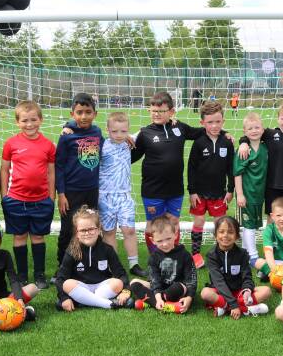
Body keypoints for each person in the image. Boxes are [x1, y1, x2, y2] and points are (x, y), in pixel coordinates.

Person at [131, 91, 206, 257]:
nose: (156, 114)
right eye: (153, 111)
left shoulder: (180, 128)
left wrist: (224, 134)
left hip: (175, 189)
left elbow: (201, 132)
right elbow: (131, 157)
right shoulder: (145, 133)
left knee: (173, 221)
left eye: (161, 111)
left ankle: (173, 255)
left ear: (171, 112)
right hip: (152, 189)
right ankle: (155, 257)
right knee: (154, 223)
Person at [0, 100, 56, 289]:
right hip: (16, 200)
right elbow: (5, 170)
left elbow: (51, 172)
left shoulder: (48, 145)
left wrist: (51, 197)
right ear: (17, 122)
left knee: (38, 237)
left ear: (40, 120)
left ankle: (40, 275)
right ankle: (22, 275)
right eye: (24, 120)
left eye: (33, 119)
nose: (29, 124)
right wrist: (4, 195)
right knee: (19, 237)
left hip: (41, 200)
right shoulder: (11, 144)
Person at [55, 93, 103, 270]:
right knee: (68, 230)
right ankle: (62, 266)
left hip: (92, 190)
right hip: (71, 192)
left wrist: (127, 137)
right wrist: (61, 194)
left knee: (91, 227)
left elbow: (107, 148)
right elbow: (58, 166)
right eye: (79, 112)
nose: (84, 116)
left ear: (95, 114)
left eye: (88, 112)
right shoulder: (67, 136)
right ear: (72, 114)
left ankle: (89, 263)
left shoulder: (97, 132)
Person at [55, 206, 132, 311]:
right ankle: (109, 304)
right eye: (83, 230)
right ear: (77, 233)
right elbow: (60, 279)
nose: (87, 233)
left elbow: (121, 274)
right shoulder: (72, 251)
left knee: (117, 283)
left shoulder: (107, 249)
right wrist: (64, 298)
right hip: (81, 288)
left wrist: (125, 291)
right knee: (68, 284)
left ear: (98, 229)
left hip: (102, 288)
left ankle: (84, 301)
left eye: (91, 229)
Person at [187, 100, 234, 267]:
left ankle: (219, 253)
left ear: (223, 121)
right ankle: (195, 254)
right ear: (202, 123)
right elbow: (191, 168)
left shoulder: (227, 142)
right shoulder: (199, 142)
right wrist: (192, 192)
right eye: (210, 122)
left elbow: (231, 168)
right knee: (198, 221)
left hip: (219, 193)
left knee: (220, 224)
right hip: (199, 193)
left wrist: (230, 190)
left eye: (218, 122)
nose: (214, 125)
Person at [237, 100, 283, 219]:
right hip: (272, 185)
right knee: (272, 217)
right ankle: (269, 238)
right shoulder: (270, 134)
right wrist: (243, 143)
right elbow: (252, 133)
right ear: (278, 119)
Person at [98, 112, 144, 277]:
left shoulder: (129, 141)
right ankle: (114, 265)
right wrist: (67, 128)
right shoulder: (101, 145)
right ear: (107, 130)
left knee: (128, 229)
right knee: (108, 232)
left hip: (124, 196)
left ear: (128, 130)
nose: (119, 135)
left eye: (123, 132)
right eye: (114, 131)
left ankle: (134, 264)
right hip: (105, 197)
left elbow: (146, 130)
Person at [200, 216, 271, 318]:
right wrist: (234, 304)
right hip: (220, 292)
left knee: (266, 291)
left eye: (230, 232)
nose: (225, 235)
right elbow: (218, 282)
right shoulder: (211, 255)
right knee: (205, 293)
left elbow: (247, 277)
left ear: (237, 236)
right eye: (221, 232)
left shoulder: (242, 254)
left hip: (239, 292)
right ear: (215, 235)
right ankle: (246, 309)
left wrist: (247, 290)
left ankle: (224, 308)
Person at [129, 215, 197, 313]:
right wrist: (158, 296)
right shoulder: (154, 257)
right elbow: (154, 279)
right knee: (134, 284)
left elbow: (191, 279)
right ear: (153, 241)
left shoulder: (185, 255)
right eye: (160, 241)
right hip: (160, 288)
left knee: (178, 287)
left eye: (168, 239)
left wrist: (189, 298)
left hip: (178, 290)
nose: (165, 244)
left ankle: (150, 303)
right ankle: (167, 305)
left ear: (175, 235)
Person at [233, 112, 268, 266]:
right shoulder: (243, 151)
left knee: (254, 224)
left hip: (259, 195)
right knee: (249, 225)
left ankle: (245, 252)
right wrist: (239, 194)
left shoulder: (265, 147)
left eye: (257, 127)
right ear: (245, 132)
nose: (254, 130)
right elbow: (237, 173)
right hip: (246, 195)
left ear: (263, 129)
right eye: (250, 128)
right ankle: (252, 256)